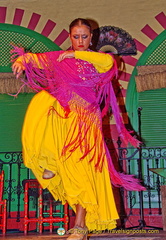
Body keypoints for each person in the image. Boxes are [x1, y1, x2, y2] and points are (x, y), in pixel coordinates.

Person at [12, 18, 145, 240]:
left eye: (84, 36)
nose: (80, 41)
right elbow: (37, 59)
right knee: (42, 102)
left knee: (84, 173)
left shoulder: (96, 59)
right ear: (70, 36)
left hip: (85, 123)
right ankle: (51, 162)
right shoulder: (59, 58)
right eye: (76, 36)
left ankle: (80, 227)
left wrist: (75, 54)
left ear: (91, 37)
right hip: (65, 116)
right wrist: (22, 60)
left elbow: (107, 64)